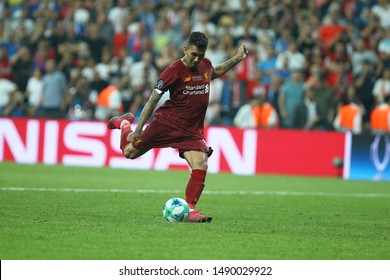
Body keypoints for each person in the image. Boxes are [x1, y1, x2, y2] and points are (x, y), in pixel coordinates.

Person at [107, 32, 248, 223]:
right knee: (129, 153)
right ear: (185, 49)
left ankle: (189, 209)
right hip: (167, 124)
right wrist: (138, 128)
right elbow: (152, 100)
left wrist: (238, 57)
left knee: (201, 164)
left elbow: (217, 70)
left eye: (201, 55)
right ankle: (123, 123)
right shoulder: (173, 70)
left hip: (191, 129)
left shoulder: (205, 65)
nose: (197, 59)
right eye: (194, 55)